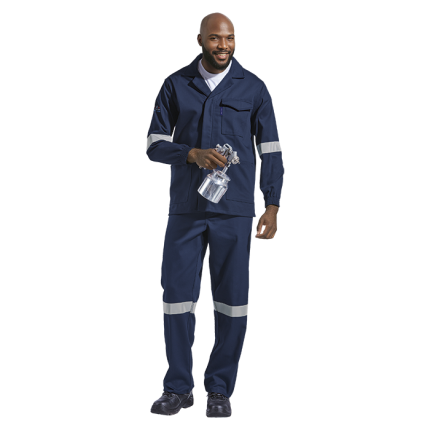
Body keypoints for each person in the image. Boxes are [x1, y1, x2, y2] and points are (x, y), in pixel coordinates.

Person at [147, 12, 284, 418]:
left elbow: (271, 149)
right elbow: (153, 144)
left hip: (235, 210)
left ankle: (220, 390)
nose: (223, 46)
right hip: (187, 208)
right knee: (176, 298)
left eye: (230, 38)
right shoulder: (175, 84)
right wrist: (190, 153)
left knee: (232, 302)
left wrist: (272, 204)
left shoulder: (254, 87)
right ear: (200, 40)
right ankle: (178, 388)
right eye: (215, 38)